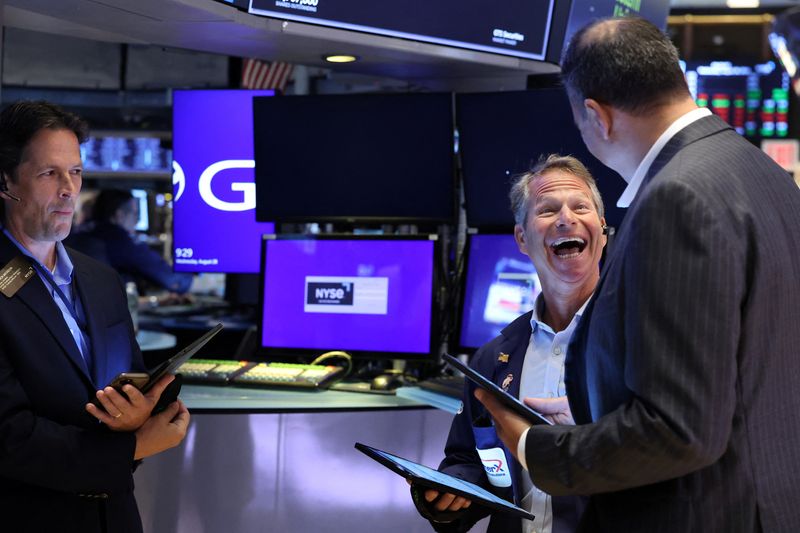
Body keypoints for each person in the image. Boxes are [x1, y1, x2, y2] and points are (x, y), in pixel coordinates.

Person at [475, 17, 800, 532]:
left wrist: (534, 446)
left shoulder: (676, 197)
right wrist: (593, 412)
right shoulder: (764, 176)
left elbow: (679, 431)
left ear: (595, 117)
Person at [0, 101, 190, 533]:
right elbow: (8, 437)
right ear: (6, 180)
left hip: (115, 518)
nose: (69, 189)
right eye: (50, 173)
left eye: (76, 172)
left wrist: (144, 408)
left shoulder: (101, 279)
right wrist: (134, 445)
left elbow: (132, 376)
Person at [412, 155, 607, 533]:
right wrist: (449, 491)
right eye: (548, 209)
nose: (566, 218)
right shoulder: (492, 359)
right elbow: (471, 459)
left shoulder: (643, 341)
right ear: (522, 238)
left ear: (602, 228)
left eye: (580, 206)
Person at [67, 189, 193, 294]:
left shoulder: (77, 234)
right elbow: (175, 281)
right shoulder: (119, 241)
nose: (136, 221)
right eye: (134, 214)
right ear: (119, 215)